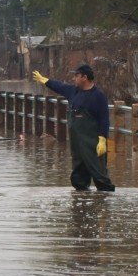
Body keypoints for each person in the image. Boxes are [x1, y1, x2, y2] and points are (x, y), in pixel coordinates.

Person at [32, 64, 115, 192]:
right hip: (77, 144)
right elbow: (59, 86)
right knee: (78, 177)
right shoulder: (73, 91)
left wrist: (102, 139)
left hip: (93, 143)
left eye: (76, 75)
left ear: (84, 77)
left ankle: (105, 202)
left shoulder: (98, 96)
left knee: (100, 175)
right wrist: (45, 81)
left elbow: (104, 119)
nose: (73, 78)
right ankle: (80, 202)